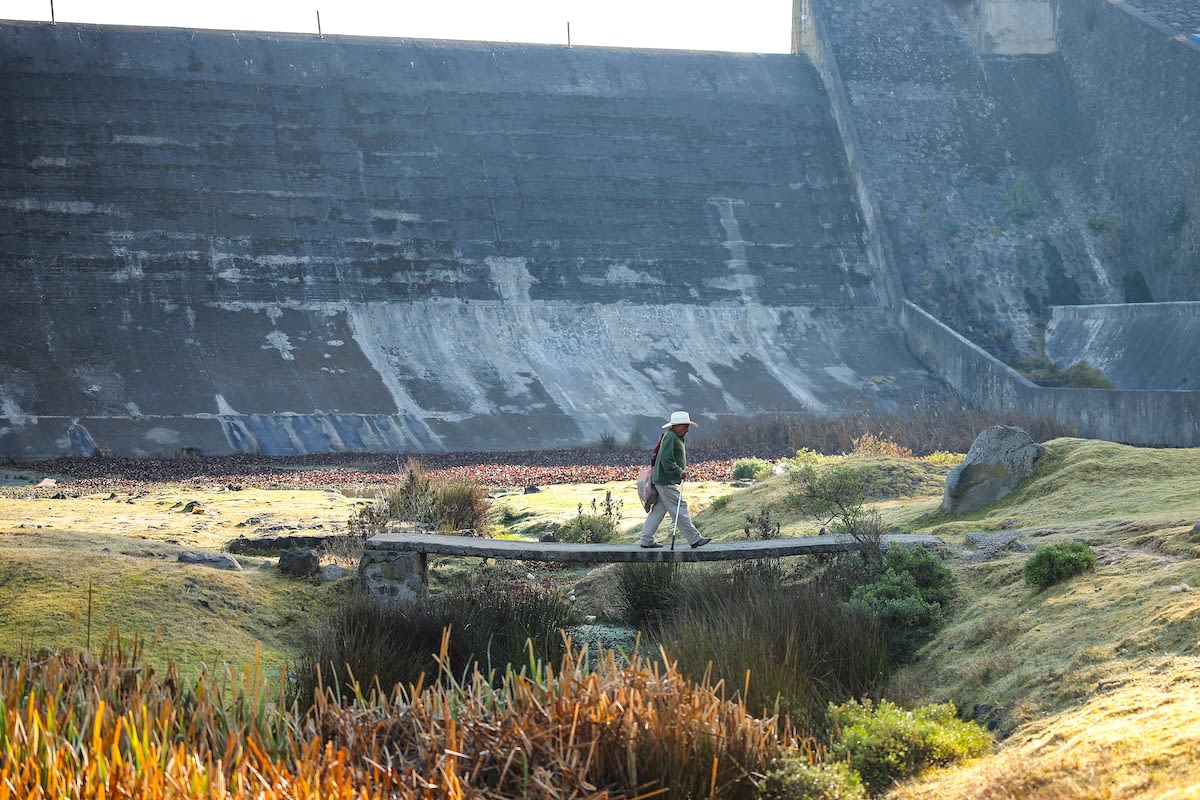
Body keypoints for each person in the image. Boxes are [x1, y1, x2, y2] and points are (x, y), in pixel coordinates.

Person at [639, 411, 712, 549]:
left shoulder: (672, 436)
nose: (687, 429)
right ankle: (694, 539)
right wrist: (678, 471)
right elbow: (667, 459)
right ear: (677, 426)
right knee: (680, 506)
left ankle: (646, 539)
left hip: (663, 479)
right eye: (685, 426)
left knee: (659, 510)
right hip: (666, 480)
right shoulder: (672, 437)